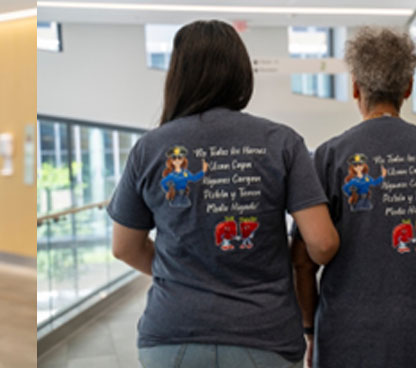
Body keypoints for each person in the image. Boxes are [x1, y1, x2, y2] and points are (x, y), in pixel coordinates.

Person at [107, 20, 339, 368]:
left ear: (177, 75)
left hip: (171, 335)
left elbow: (124, 247)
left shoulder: (149, 148)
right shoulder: (282, 143)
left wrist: (182, 273)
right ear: (241, 74)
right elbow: (322, 242)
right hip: (264, 335)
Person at [292, 26, 416, 368]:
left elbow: (303, 260)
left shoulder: (328, 156)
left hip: (344, 341)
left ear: (355, 87)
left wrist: (310, 329)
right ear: (409, 87)